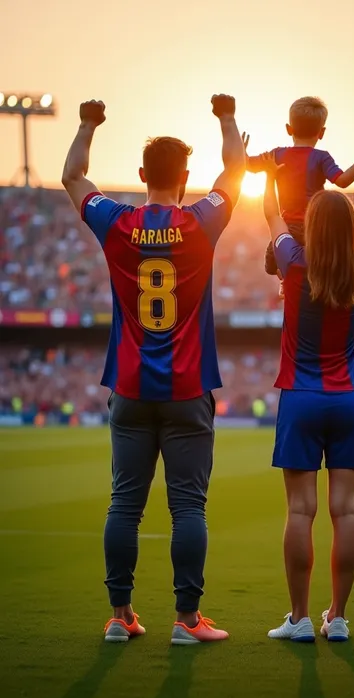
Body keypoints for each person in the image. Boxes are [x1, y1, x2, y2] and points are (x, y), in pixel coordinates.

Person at [61, 94, 245, 645]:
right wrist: (227, 118)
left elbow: (72, 175)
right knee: (188, 506)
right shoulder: (200, 223)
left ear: (142, 175)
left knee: (124, 505)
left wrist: (88, 122)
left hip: (131, 387)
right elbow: (236, 168)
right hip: (188, 387)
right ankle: (187, 622)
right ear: (185, 177)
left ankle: (120, 615)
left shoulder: (116, 223)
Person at [260, 131, 354, 642]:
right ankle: (337, 618)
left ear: (313, 224)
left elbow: (272, 215)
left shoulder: (294, 260)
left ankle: (298, 619)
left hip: (300, 396)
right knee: (346, 511)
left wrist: (277, 172)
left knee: (301, 510)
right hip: (348, 398)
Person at [244, 96, 354, 288]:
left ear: (289, 129)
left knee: (271, 262)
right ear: (322, 132)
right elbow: (342, 181)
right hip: (316, 227)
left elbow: (248, 165)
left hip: (288, 228)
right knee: (318, 261)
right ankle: (307, 285)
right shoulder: (321, 158)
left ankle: (289, 284)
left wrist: (241, 151)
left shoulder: (278, 154)